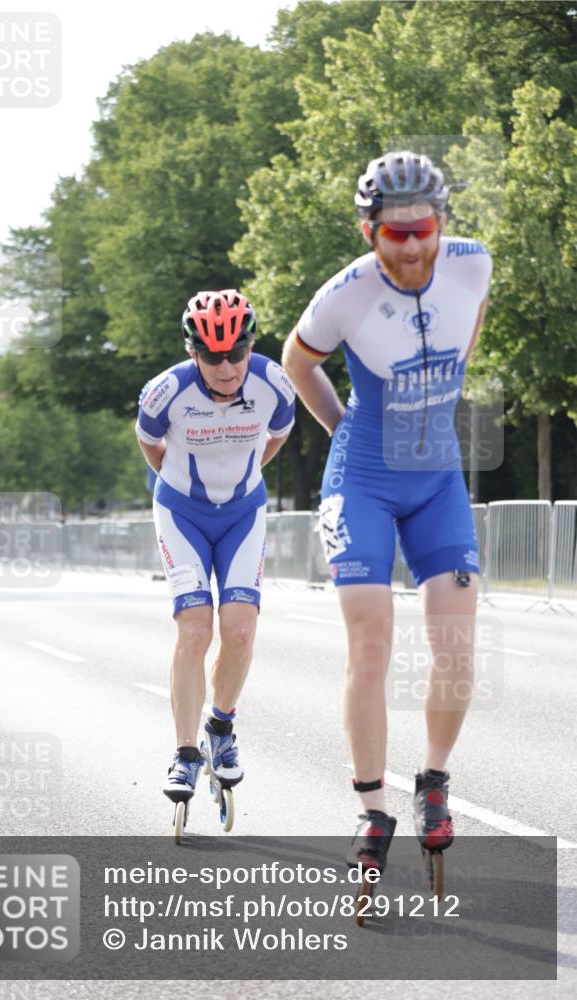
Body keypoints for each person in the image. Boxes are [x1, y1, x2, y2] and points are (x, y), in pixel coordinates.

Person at [282, 151, 491, 877]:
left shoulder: (473, 265)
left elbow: (468, 330)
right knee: (370, 638)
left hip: (435, 475)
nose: (409, 247)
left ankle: (432, 780)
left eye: (422, 229)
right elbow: (295, 361)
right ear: (367, 230)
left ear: (441, 222)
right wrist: (341, 426)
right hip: (363, 476)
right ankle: (372, 808)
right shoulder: (344, 294)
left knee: (455, 645)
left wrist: (440, 400)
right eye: (391, 235)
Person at [136, 289, 295, 810]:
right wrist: (180, 484)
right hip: (182, 511)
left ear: (251, 345)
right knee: (195, 627)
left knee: (242, 628)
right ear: (192, 352)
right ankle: (185, 752)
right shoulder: (165, 393)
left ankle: (220, 727)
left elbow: (278, 436)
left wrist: (246, 476)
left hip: (243, 512)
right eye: (212, 356)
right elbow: (150, 444)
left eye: (237, 352)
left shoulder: (274, 384)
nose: (226, 367)